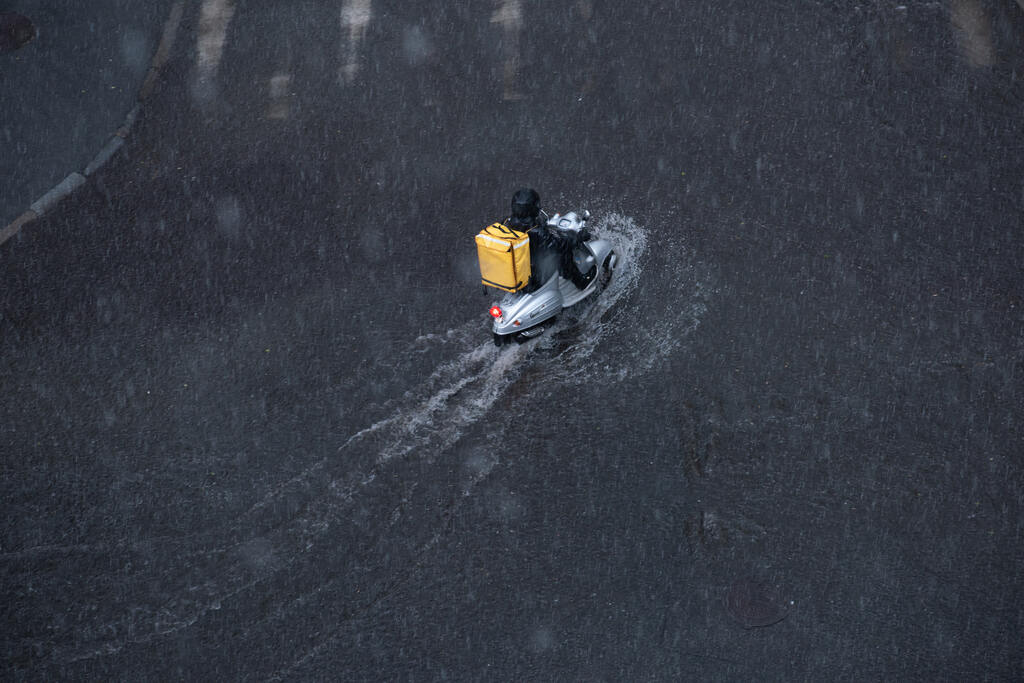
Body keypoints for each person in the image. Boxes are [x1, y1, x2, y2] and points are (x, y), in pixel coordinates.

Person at [506, 188, 592, 290]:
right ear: (533, 208)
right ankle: (581, 282)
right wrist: (577, 238)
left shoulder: (507, 223)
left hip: (515, 272)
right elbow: (559, 246)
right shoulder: (536, 232)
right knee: (563, 254)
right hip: (534, 279)